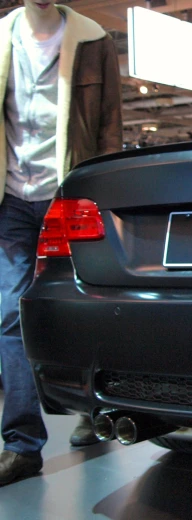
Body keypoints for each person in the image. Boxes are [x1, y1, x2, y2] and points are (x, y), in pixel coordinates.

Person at [0, 0, 122, 485]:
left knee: (83, 307)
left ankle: (91, 409)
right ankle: (22, 445)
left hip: (69, 195)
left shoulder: (94, 41)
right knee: (10, 314)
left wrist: (104, 192)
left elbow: (109, 127)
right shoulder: (2, 38)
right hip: (11, 197)